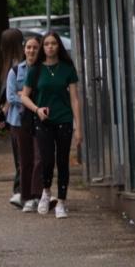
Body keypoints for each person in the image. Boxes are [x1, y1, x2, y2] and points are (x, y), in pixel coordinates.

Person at [20, 30, 82, 218]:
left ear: (58, 46)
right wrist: (37, 109)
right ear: (43, 47)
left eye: (53, 43)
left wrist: (78, 126)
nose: (49, 47)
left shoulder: (67, 68)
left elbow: (74, 99)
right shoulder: (36, 70)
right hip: (43, 121)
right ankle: (46, 191)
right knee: (47, 160)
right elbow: (23, 96)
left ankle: (62, 201)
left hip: (63, 119)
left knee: (63, 161)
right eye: (46, 44)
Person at [0, 31, 42, 211]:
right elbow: (10, 96)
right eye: (28, 47)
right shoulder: (15, 71)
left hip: (40, 120)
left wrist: (24, 96)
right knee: (24, 160)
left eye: (35, 48)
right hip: (19, 121)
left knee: (40, 158)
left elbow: (44, 94)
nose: (31, 50)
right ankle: (25, 195)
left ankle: (38, 195)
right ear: (24, 49)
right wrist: (31, 100)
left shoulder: (43, 70)